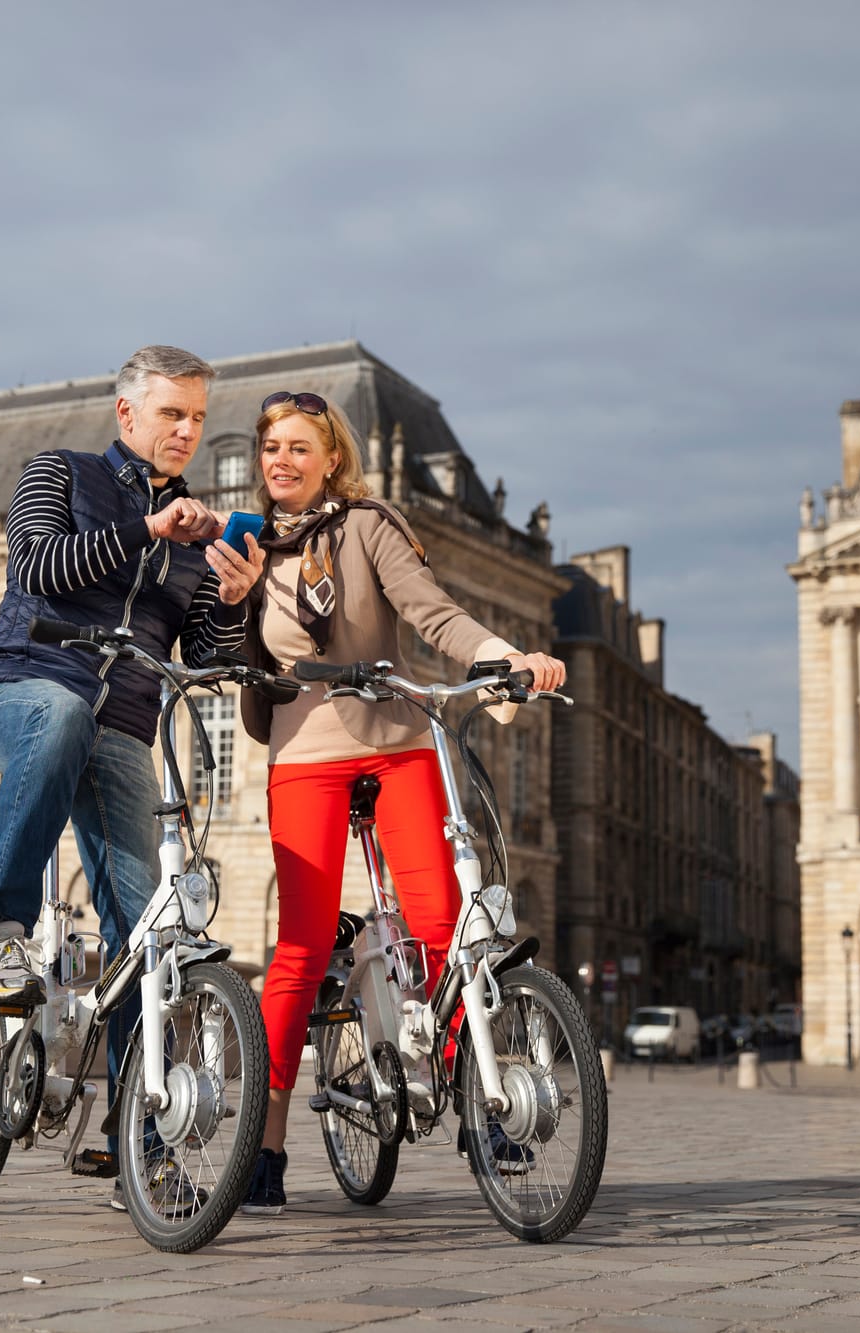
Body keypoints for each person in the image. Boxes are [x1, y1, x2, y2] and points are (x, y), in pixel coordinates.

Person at [233, 390, 564, 1215]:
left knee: (444, 927)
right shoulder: (246, 547)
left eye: (299, 447)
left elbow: (431, 612)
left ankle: (483, 1106)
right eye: (271, 446)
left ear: (333, 457)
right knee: (302, 948)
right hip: (303, 755)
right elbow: (218, 644)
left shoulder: (369, 525)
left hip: (395, 743)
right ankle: (262, 1141)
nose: (282, 460)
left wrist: (503, 656)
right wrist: (225, 598)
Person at [0, 344, 264, 1210]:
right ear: (127, 414)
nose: (187, 431)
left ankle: (142, 1138)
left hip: (126, 728)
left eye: (199, 418)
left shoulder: (200, 536)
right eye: (172, 414)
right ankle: (0, 931)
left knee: (149, 938)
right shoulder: (56, 473)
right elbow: (38, 568)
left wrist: (233, 596)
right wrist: (143, 531)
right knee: (59, 718)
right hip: (26, 691)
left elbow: (205, 655)